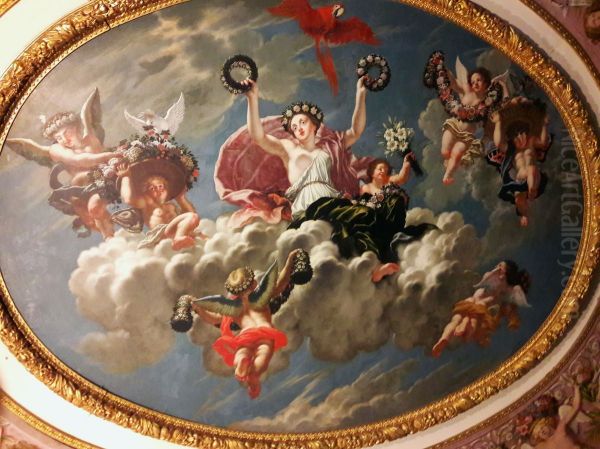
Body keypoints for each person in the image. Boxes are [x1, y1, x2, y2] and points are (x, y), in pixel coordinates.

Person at [214, 77, 373, 228]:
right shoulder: (288, 149)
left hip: (330, 200)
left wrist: (361, 94)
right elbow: (259, 136)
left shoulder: (330, 145)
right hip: (304, 205)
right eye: (294, 127)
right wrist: (252, 99)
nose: (299, 128)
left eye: (302, 122)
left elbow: (355, 131)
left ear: (314, 125)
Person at [290, 156, 435, 282]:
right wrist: (352, 201)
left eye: (385, 170)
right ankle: (374, 265)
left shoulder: (389, 184)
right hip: (362, 210)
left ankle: (375, 266)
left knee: (364, 228)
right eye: (379, 168)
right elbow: (358, 201)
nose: (382, 171)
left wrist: (406, 164)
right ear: (371, 172)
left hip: (377, 217)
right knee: (341, 211)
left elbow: (401, 177)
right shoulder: (367, 188)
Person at [6, 89, 123, 239]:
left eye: (67, 133)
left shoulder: (91, 137)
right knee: (92, 211)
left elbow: (87, 115)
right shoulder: (57, 150)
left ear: (77, 127)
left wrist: (115, 158)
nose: (64, 140)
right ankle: (109, 237)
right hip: (86, 190)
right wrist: (110, 155)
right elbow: (80, 160)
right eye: (59, 138)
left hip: (111, 178)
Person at [189, 250, 301, 398]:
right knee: (262, 355)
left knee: (242, 351)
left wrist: (198, 308)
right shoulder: (261, 297)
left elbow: (213, 319)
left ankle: (241, 361)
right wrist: (290, 260)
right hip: (264, 333)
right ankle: (253, 375)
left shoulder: (234, 309)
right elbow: (281, 282)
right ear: (253, 284)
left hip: (246, 335)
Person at [431, 260, 530, 357]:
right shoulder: (489, 282)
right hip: (471, 304)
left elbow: (506, 297)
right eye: (497, 266)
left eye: (500, 266)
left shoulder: (501, 290)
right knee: (460, 318)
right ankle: (445, 337)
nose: (496, 268)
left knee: (466, 317)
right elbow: (489, 279)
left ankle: (448, 336)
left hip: (479, 308)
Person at [490, 102, 551, 227]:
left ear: (527, 133)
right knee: (519, 199)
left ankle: (532, 190)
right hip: (520, 178)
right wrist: (498, 123)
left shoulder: (532, 142)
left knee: (532, 169)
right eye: (515, 136)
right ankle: (524, 214)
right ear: (511, 139)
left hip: (533, 176)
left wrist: (544, 125)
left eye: (522, 133)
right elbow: (498, 143)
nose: (520, 137)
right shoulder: (512, 150)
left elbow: (543, 142)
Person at [118, 165, 200, 250]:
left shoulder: (171, 206)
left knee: (193, 218)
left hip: (173, 231)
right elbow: (128, 199)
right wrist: (125, 177)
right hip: (161, 234)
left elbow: (191, 217)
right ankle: (178, 239)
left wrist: (181, 199)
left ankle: (179, 238)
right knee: (192, 216)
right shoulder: (147, 204)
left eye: (160, 186)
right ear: (146, 192)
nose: (158, 190)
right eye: (153, 188)